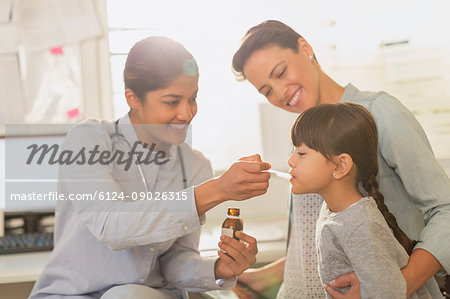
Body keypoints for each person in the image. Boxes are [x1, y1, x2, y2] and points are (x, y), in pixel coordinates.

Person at [30, 36, 271, 299]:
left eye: (193, 98)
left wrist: (218, 268)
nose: (187, 113)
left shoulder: (195, 165)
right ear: (133, 98)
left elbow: (175, 263)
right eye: (171, 101)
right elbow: (112, 226)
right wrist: (217, 190)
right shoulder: (88, 141)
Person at [232, 20, 450, 298]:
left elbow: (446, 213)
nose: (280, 93)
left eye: (280, 72)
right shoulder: (301, 146)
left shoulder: (379, 113)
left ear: (305, 48)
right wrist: (261, 277)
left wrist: (393, 287)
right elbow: (324, 248)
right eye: (266, 90)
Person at [289, 102, 431, 298]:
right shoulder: (332, 210)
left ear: (340, 166)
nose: (291, 161)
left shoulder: (361, 225)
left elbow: (387, 294)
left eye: (301, 153)